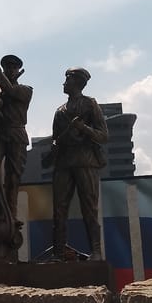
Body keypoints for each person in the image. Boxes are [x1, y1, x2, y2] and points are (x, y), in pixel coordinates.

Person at [45, 68, 108, 261]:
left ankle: (96, 252)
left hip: (85, 161)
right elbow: (55, 139)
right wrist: (56, 145)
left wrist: (83, 128)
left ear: (77, 82)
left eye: (67, 79)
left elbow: (103, 136)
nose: (64, 83)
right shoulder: (59, 111)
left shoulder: (90, 104)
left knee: (89, 208)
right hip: (63, 163)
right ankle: (58, 252)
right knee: (59, 209)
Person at [0, 55, 33, 218]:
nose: (11, 70)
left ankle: (11, 214)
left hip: (17, 134)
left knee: (13, 177)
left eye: (13, 68)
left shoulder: (26, 90)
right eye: (7, 67)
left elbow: (11, 90)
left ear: (18, 70)